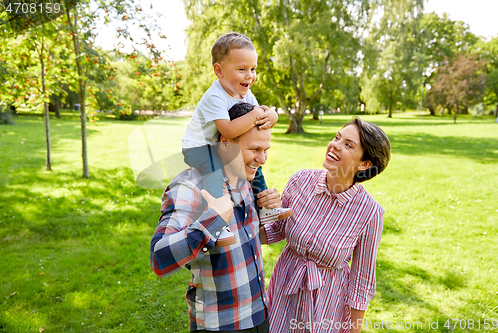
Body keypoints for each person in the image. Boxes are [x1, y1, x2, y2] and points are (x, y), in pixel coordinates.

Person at [150, 103, 285, 332]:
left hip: (260, 313)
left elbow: (247, 238)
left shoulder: (246, 179)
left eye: (266, 149)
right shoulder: (190, 187)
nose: (262, 159)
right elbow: (159, 258)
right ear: (225, 143)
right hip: (220, 324)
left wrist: (273, 213)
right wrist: (213, 220)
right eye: (254, 150)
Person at [261, 117, 391, 333]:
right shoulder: (300, 180)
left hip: (327, 305)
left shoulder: (370, 213)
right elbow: (276, 230)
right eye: (337, 137)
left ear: (364, 164)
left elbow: (361, 283)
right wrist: (250, 218)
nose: (335, 145)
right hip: (284, 290)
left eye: (348, 145)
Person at [181, 32, 292, 246]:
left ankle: (265, 209)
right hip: (197, 147)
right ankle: (217, 221)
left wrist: (272, 115)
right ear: (219, 71)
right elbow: (229, 130)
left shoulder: (245, 94)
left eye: (253, 69)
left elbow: (260, 113)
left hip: (217, 144)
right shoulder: (215, 96)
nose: (249, 75)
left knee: (255, 165)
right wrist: (254, 115)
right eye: (241, 69)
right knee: (213, 168)